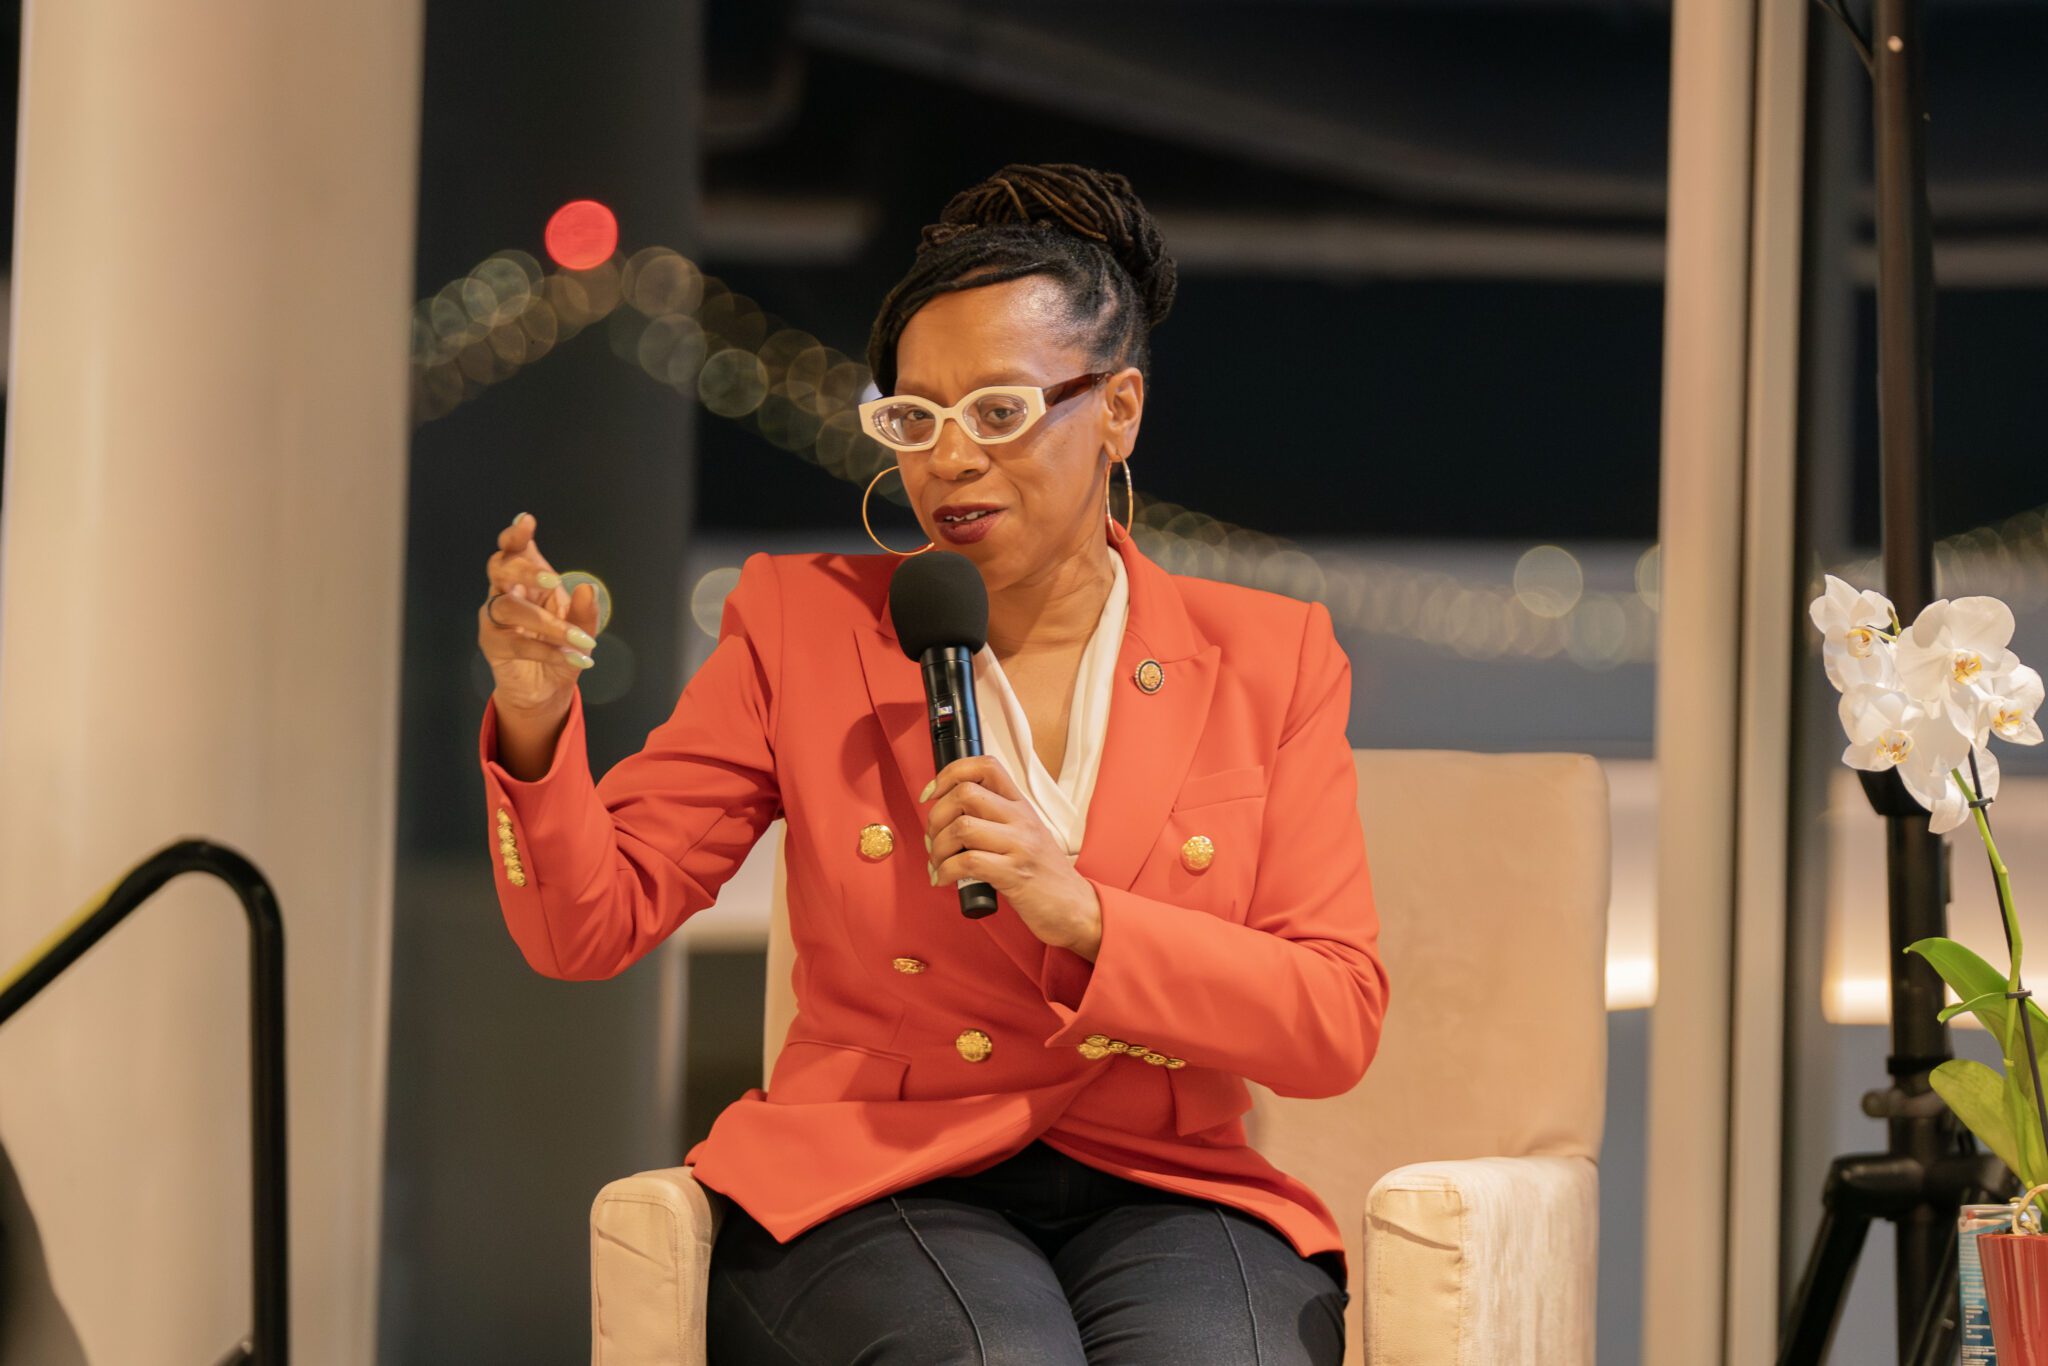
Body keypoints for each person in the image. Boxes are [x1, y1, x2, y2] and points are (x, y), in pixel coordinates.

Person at [475, 162, 1387, 1365]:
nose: (948, 461)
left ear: (1116, 411)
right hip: (872, 1175)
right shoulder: (801, 624)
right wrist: (534, 714)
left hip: (1163, 1181)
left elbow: (1331, 1018)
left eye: (998, 413)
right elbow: (586, 926)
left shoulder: (1266, 655)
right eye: (913, 419)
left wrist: (1088, 916)